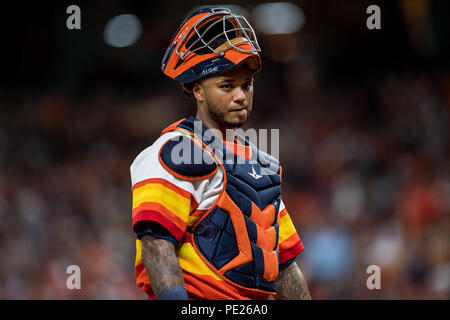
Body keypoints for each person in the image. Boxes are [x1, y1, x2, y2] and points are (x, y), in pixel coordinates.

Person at [130, 6, 311, 300]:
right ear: (197, 90)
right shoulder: (176, 152)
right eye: (227, 86)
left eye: (246, 85)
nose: (241, 95)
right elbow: (157, 244)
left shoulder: (264, 166)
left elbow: (285, 262)